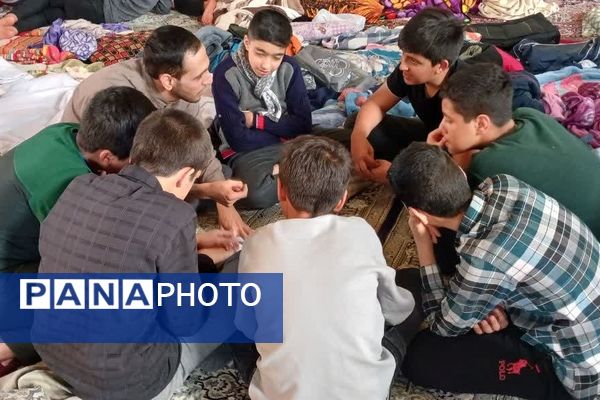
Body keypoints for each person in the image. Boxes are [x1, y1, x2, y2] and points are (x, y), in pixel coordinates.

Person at [34, 108, 238, 400]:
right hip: (128, 381)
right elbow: (183, 321)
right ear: (185, 176)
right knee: (239, 285)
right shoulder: (174, 215)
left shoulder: (79, 186)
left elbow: (121, 254)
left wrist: (196, 257)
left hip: (53, 352)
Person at [389, 142, 600, 400]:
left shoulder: (482, 259)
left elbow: (442, 325)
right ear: (460, 172)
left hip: (583, 373)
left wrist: (422, 243)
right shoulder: (502, 183)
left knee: (422, 356)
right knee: (454, 254)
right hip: (580, 310)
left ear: (418, 215)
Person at [234, 135, 415, 399]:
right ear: (342, 199)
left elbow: (248, 326)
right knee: (412, 283)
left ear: (280, 189)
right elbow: (395, 310)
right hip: (366, 393)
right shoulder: (361, 231)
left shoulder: (257, 242)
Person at [0, 86, 155, 376]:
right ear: (108, 157)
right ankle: (12, 345)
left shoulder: (65, 133)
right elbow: (92, 260)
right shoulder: (71, 185)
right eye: (134, 162)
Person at [61, 25, 252, 237]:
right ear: (168, 81)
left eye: (207, 69)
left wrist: (223, 201)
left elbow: (199, 143)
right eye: (199, 76)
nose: (209, 80)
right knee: (168, 214)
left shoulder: (185, 96)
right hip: (105, 174)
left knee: (218, 175)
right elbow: (133, 179)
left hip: (146, 160)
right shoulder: (122, 103)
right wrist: (207, 191)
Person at [429, 62, 600, 240]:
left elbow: (454, 209)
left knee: (444, 234)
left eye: (449, 120)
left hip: (590, 250)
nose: (442, 127)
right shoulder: (530, 115)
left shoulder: (487, 165)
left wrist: (447, 159)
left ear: (481, 124)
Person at [348, 7, 464, 183]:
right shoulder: (407, 72)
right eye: (403, 55)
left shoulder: (466, 91)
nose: (402, 66)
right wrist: (358, 137)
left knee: (438, 181)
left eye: (413, 60)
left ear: (441, 66)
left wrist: (394, 177)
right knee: (359, 125)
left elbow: (459, 167)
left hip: (455, 153)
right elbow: (376, 104)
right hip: (430, 137)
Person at [212, 9, 312, 209]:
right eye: (260, 53)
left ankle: (287, 170)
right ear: (247, 43)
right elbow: (238, 139)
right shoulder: (226, 74)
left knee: (349, 142)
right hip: (249, 150)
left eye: (277, 56)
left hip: (289, 141)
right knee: (254, 194)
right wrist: (284, 134)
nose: (267, 65)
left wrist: (258, 121)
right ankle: (308, 174)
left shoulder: (290, 68)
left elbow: (303, 125)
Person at [0, 0, 216, 39]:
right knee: (54, 13)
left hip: (98, 5)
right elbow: (162, 10)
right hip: (99, 16)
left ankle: (12, 18)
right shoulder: (163, 4)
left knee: (49, 0)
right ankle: (15, 28)